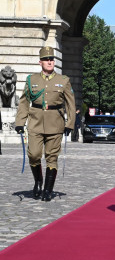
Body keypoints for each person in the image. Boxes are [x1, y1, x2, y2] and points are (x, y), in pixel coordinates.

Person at [14, 46, 75, 201]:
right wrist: (20, 122)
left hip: (55, 124)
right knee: (34, 154)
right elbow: (24, 102)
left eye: (51, 59)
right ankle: (38, 181)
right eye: (46, 59)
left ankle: (48, 190)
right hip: (35, 123)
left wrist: (70, 124)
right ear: (40, 62)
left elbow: (70, 104)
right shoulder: (31, 80)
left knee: (51, 157)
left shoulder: (63, 80)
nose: (49, 62)